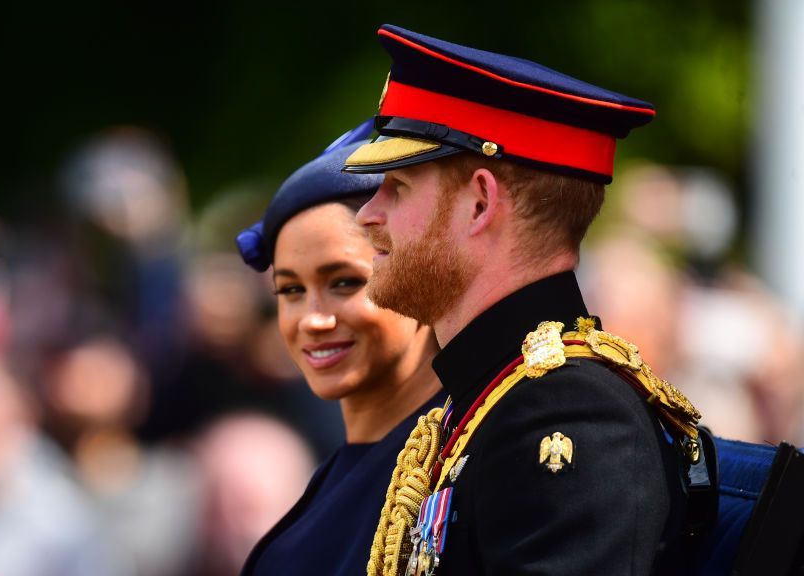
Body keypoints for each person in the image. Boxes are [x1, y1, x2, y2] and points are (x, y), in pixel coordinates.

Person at [341, 25, 706, 575]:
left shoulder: (571, 413)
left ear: (481, 203)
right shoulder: (492, 395)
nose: (368, 214)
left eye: (398, 187)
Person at [235, 119, 445, 575]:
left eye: (345, 283)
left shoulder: (466, 467)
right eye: (290, 290)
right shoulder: (335, 477)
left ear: (419, 278)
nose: (313, 319)